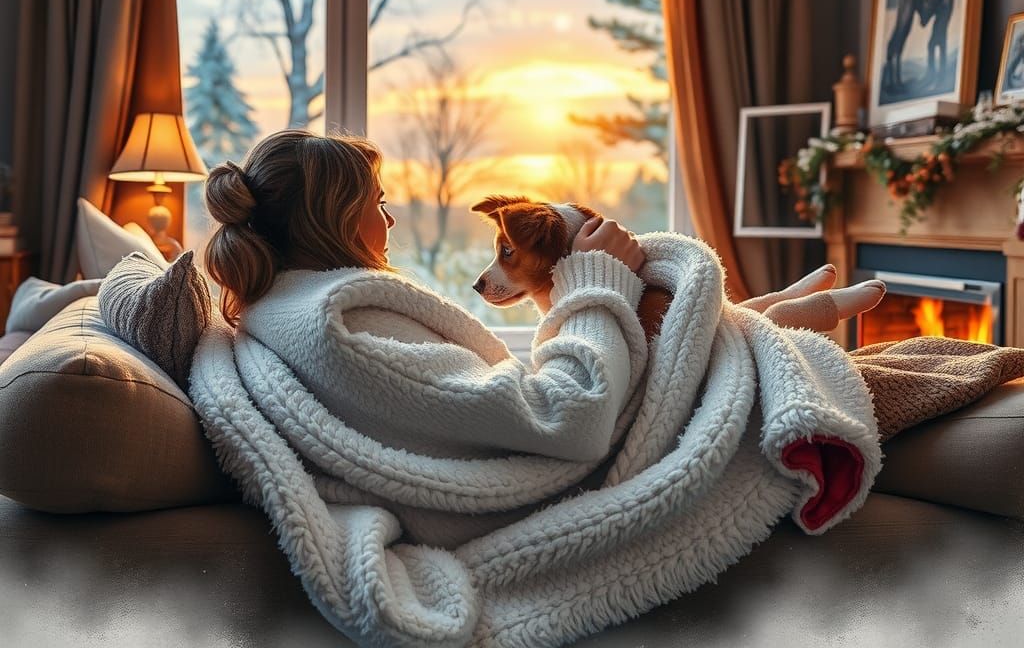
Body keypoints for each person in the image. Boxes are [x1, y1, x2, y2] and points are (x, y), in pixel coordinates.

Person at [202, 130, 879, 460]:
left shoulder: (284, 310)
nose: (389, 219)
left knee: (727, 330)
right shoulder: (338, 320)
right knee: (753, 343)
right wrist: (598, 281)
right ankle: (793, 314)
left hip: (595, 413)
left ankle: (786, 312)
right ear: (333, 217)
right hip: (597, 453)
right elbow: (570, 420)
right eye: (376, 202)